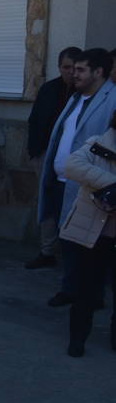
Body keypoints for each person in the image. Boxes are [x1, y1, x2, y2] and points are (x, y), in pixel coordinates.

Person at [39, 47, 116, 307]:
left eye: (81, 70)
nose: (74, 74)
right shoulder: (75, 98)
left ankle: (89, 296)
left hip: (91, 187)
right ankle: (71, 289)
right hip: (61, 180)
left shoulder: (112, 99)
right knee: (67, 237)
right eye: (73, 69)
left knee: (87, 245)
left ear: (99, 72)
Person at [57, 111, 116, 355]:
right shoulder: (98, 144)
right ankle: (77, 339)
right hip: (94, 236)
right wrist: (112, 183)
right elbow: (72, 166)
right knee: (86, 292)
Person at [25, 46, 82, 269]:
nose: (71, 73)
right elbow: (36, 119)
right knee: (47, 203)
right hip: (46, 155)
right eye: (66, 67)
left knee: (71, 206)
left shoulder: (84, 95)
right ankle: (46, 250)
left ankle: (73, 256)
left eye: (75, 68)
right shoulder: (49, 89)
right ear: (59, 68)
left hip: (75, 159)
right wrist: (35, 151)